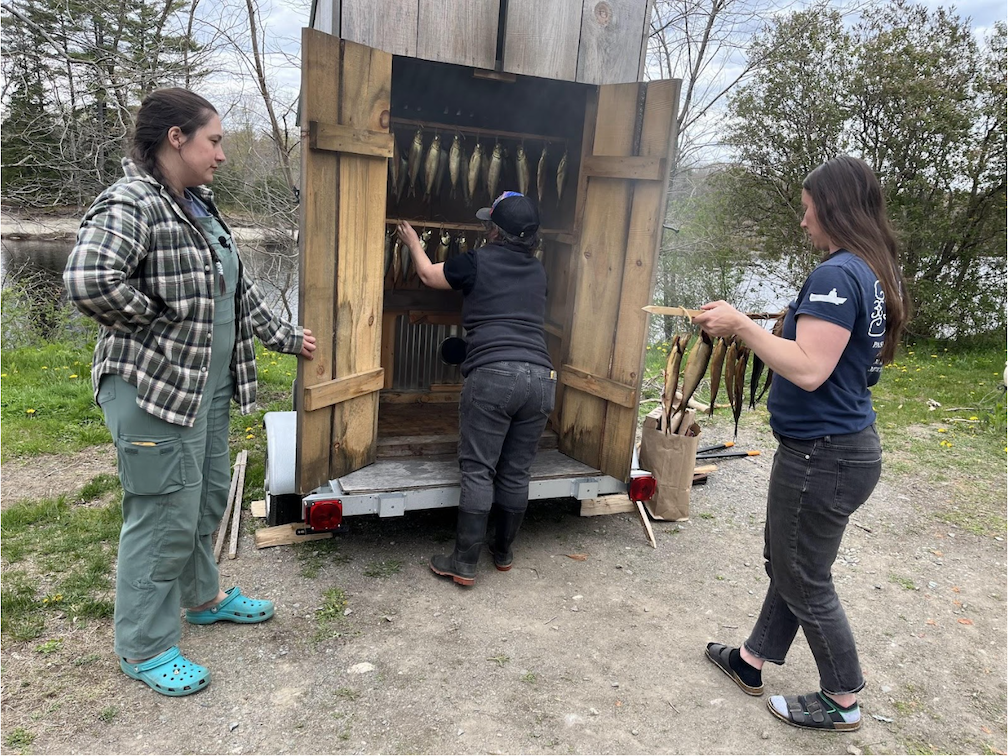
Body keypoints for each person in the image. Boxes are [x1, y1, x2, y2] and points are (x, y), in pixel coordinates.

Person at [64, 87, 317, 696]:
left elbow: (238, 289)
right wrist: (160, 319)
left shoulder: (197, 205)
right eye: (216, 140)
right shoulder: (134, 201)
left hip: (206, 391)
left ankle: (202, 598)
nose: (222, 155)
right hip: (154, 392)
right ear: (176, 138)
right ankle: (143, 647)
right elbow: (88, 279)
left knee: (201, 502)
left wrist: (287, 337)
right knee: (161, 515)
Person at [693, 155, 909, 731]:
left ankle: (842, 698)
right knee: (794, 563)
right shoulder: (868, 268)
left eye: (808, 206)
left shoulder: (838, 274)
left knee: (801, 573)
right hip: (841, 448)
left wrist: (742, 326)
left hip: (824, 454)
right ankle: (751, 660)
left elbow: (811, 369)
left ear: (832, 206)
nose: (803, 218)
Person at [395, 191, 556, 586]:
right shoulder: (538, 272)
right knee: (516, 471)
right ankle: (503, 552)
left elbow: (431, 276)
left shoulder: (478, 260)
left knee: (479, 470)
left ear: (495, 231)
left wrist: (414, 243)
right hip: (542, 378)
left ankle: (464, 562)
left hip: (494, 376)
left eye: (489, 223)